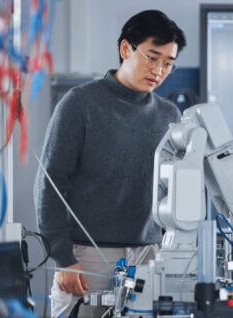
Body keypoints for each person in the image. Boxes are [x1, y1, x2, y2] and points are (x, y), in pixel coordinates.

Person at [33, 10, 186, 317]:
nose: (159, 70)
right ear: (126, 48)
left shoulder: (170, 115)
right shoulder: (79, 104)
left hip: (149, 255)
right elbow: (49, 186)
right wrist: (62, 258)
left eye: (168, 63)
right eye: (152, 57)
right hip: (86, 255)